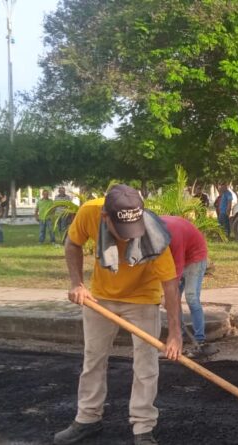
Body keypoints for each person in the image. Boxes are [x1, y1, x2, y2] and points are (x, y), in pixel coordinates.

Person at [54, 184, 182, 445]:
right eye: (121, 230)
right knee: (93, 359)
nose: (128, 237)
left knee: (146, 365)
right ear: (105, 218)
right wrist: (77, 283)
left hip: (143, 298)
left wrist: (176, 334)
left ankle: (143, 429)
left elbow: (170, 283)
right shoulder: (89, 212)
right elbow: (72, 244)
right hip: (101, 298)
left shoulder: (154, 233)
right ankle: (87, 420)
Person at [160, 215, 210, 357]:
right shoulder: (152, 232)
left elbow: (174, 277)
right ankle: (179, 336)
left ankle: (200, 340)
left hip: (195, 257)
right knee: (173, 299)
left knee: (191, 297)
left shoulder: (174, 235)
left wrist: (167, 297)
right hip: (179, 256)